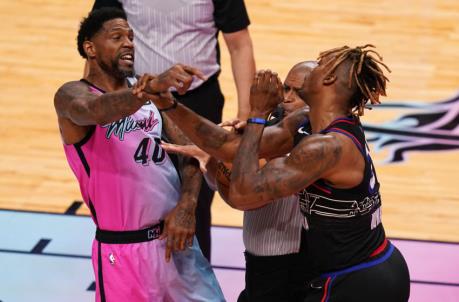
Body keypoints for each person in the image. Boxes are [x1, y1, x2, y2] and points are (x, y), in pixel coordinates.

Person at [134, 45, 411, 301]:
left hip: (363, 280)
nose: (312, 67)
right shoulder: (306, 122)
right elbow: (229, 146)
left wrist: (258, 113)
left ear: (327, 82)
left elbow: (243, 192)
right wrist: (170, 105)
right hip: (350, 271)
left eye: (319, 66)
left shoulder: (327, 147)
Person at [54, 8, 224, 301]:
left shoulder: (149, 95)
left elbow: (190, 154)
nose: (129, 43)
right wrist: (149, 90)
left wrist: (187, 205)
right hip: (122, 251)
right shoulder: (72, 95)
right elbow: (94, 112)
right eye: (117, 37)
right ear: (90, 48)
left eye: (132, 37)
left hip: (175, 242)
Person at [91, 0, 256, 262]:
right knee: (141, 192)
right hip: (138, 98)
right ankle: (144, 271)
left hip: (198, 101)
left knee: (197, 199)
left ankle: (196, 275)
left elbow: (239, 44)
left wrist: (248, 113)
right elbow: (98, 39)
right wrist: (98, 102)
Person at [163, 61, 317, 302]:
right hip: (261, 264)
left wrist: (231, 148)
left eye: (299, 93)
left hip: (290, 268)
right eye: (286, 88)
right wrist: (214, 160)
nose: (287, 98)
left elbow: (243, 197)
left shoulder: (312, 142)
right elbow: (222, 182)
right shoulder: (274, 124)